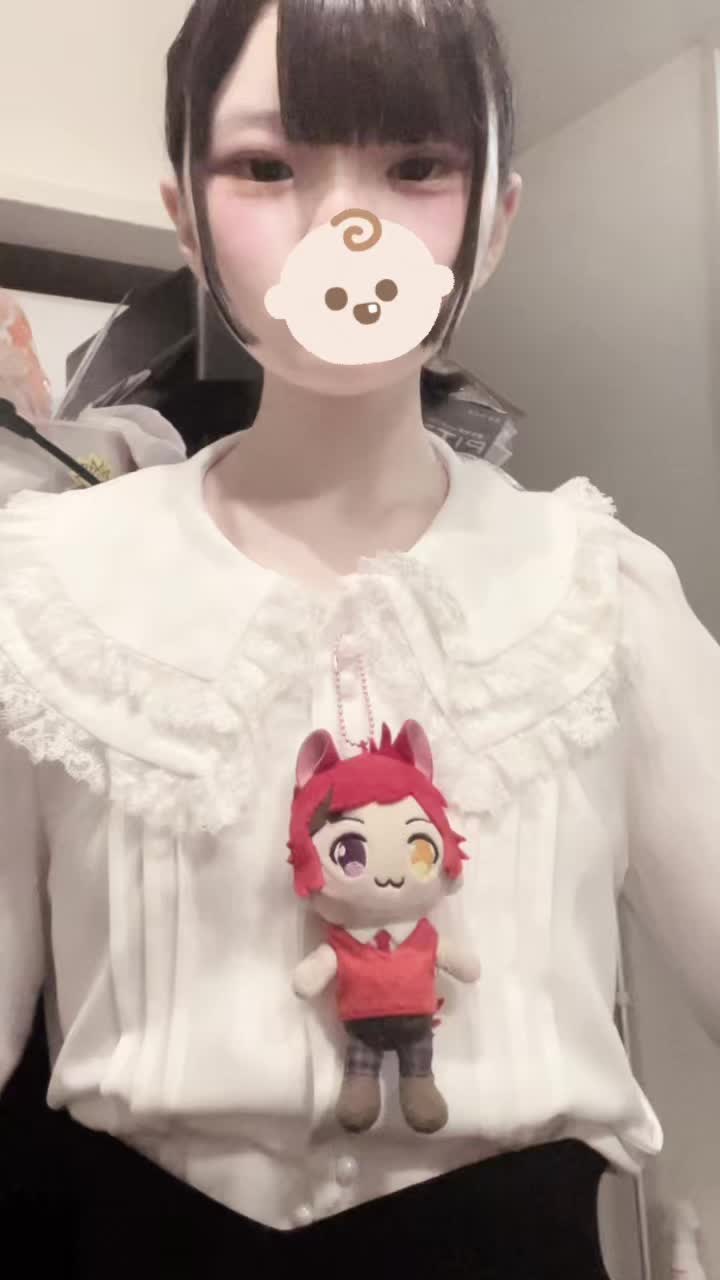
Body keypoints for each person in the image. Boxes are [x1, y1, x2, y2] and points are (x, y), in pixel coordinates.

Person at [1, 1, 719, 1276]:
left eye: (418, 163)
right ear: (185, 215)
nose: (347, 224)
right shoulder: (41, 589)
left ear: (497, 218)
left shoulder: (606, 591)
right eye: (266, 165)